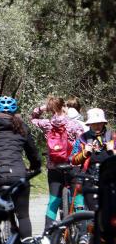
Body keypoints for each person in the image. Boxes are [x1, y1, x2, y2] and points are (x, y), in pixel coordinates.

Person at [0, 96, 42, 242]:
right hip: (18, 175)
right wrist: (35, 167)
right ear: (15, 110)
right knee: (23, 215)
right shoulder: (22, 127)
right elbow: (33, 153)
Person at [30, 96, 87, 229]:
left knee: (53, 200)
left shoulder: (47, 124)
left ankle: (47, 234)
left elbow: (32, 118)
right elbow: (82, 143)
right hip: (73, 165)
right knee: (78, 198)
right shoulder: (74, 125)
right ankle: (84, 234)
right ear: (64, 107)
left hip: (54, 167)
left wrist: (42, 108)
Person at [70, 108, 115, 211]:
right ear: (89, 124)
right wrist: (85, 153)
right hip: (90, 178)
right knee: (93, 211)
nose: (97, 126)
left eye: (99, 123)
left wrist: (112, 151)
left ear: (104, 123)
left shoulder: (113, 137)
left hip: (111, 178)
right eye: (94, 123)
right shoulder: (83, 138)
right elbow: (73, 159)